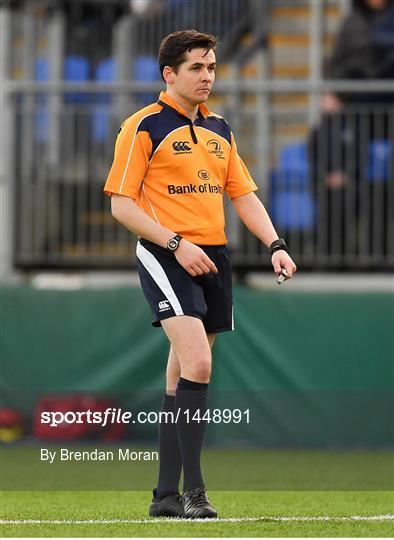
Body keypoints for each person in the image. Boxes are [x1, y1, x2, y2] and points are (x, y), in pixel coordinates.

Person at [104, 29, 296, 519]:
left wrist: (274, 244)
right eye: (196, 67)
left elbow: (244, 195)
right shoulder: (142, 126)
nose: (207, 76)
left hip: (214, 257)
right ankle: (195, 492)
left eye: (211, 67)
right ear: (170, 74)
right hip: (165, 253)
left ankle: (164, 496)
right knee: (200, 365)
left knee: (182, 373)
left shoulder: (221, 129)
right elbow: (122, 206)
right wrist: (175, 243)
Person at [308, 0, 393, 256]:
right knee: (331, 159)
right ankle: (332, 256)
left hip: (383, 110)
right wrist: (336, 91)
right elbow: (339, 63)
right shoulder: (352, 23)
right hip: (356, 109)